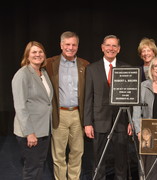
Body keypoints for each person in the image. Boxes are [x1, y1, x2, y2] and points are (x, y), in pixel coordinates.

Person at [84, 35, 132, 180]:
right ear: (102, 47)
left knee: (121, 160)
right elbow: (88, 97)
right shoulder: (92, 69)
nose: (111, 48)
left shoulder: (127, 68)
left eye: (114, 46)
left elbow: (131, 98)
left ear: (119, 49)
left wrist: (131, 121)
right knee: (99, 159)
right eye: (108, 45)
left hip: (121, 121)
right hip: (99, 120)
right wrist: (87, 123)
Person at [46, 31, 89, 180]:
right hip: (59, 114)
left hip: (78, 114)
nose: (70, 47)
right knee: (58, 154)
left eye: (74, 44)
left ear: (77, 46)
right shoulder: (50, 63)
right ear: (61, 45)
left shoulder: (84, 64)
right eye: (67, 44)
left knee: (77, 152)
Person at [12, 41, 53, 179]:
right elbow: (20, 107)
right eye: (34, 52)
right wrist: (29, 133)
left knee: (39, 164)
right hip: (31, 131)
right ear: (27, 55)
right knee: (31, 168)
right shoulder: (22, 74)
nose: (38, 55)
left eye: (40, 52)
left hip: (43, 129)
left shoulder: (43, 72)